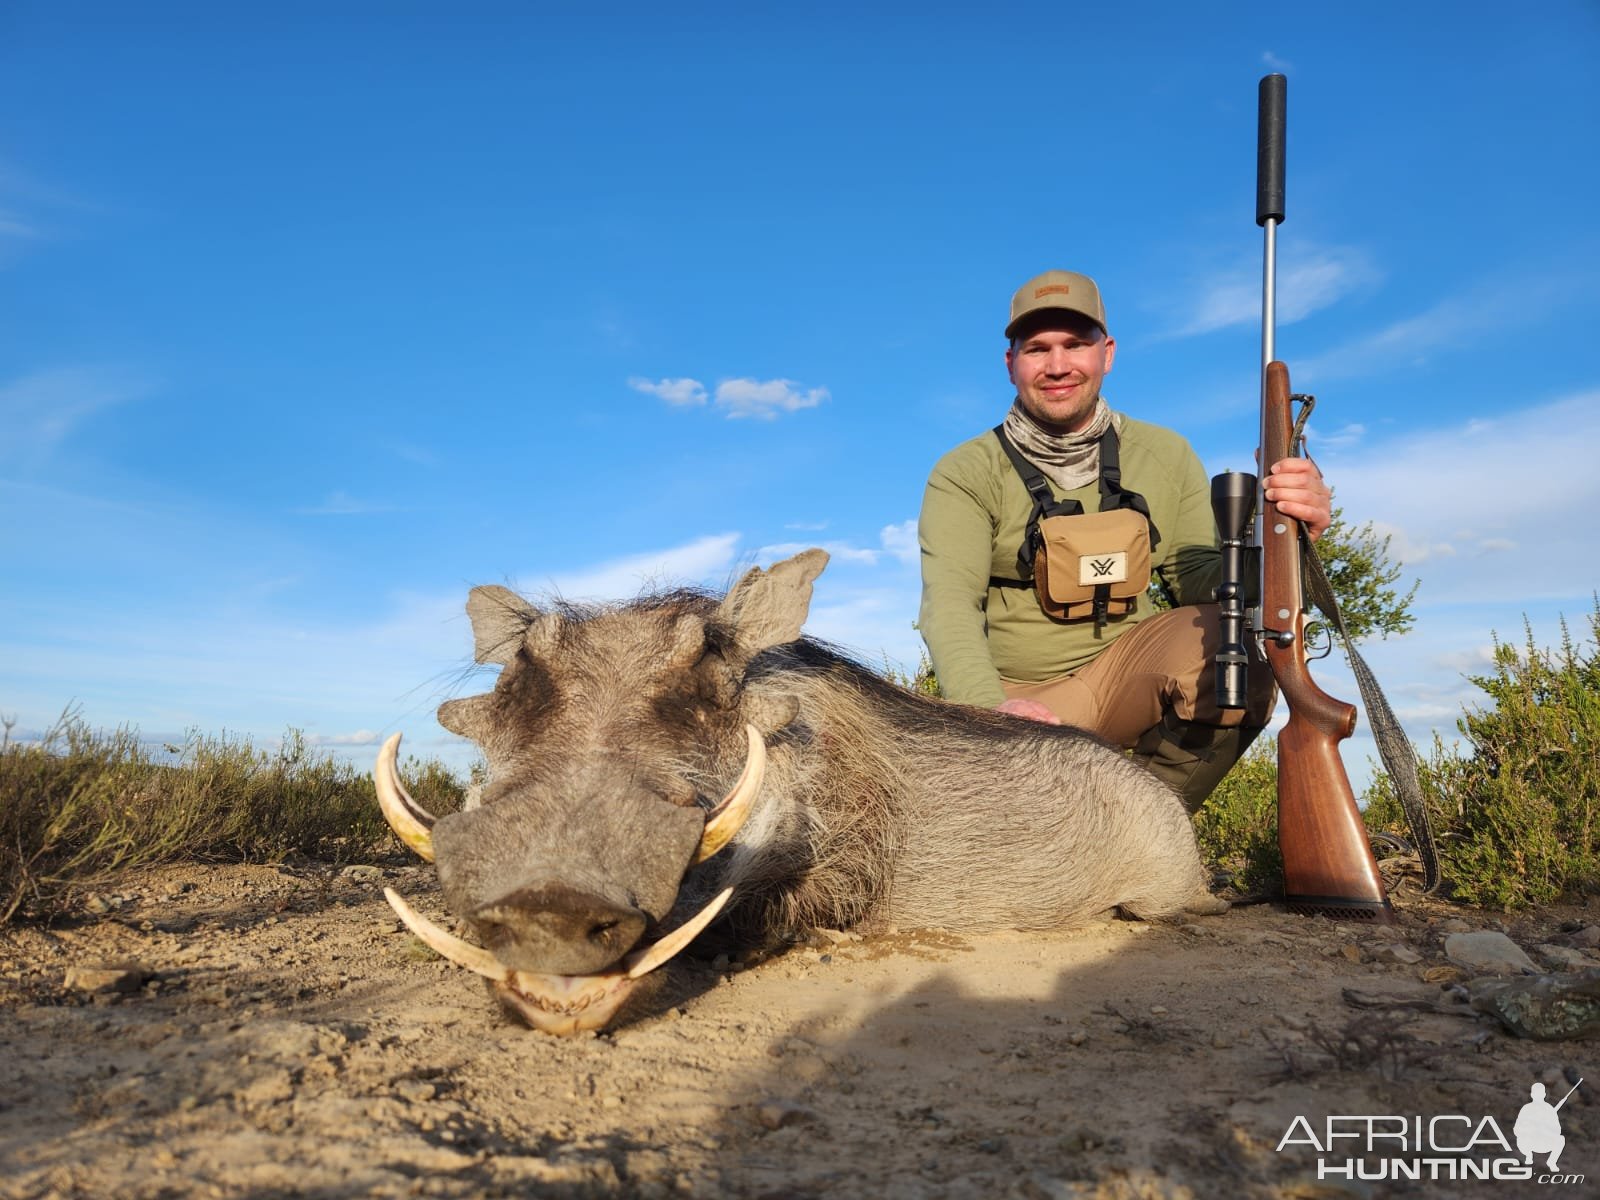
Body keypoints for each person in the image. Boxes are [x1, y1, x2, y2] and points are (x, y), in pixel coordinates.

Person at [917, 269, 1332, 811]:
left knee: (1232, 656)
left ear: (1106, 353)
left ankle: (1140, 836)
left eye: (1075, 345)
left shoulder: (1164, 453)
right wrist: (988, 710)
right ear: (1011, 363)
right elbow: (949, 605)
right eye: (1037, 349)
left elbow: (1203, 583)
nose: (1058, 365)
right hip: (1017, 699)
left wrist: (1291, 537)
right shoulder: (964, 472)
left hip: (1123, 679)